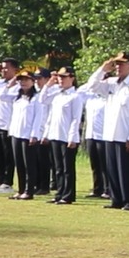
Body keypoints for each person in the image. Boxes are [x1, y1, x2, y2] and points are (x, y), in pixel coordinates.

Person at [86, 52, 129, 211]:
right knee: (112, 169)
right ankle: (116, 199)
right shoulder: (111, 83)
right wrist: (102, 70)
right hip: (110, 134)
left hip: (125, 135)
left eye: (122, 64)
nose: (118, 67)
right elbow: (92, 86)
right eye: (116, 64)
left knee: (126, 170)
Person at [41, 67, 84, 205]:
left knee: (67, 168)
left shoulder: (75, 96)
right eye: (59, 77)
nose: (61, 79)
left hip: (67, 137)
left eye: (64, 77)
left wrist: (72, 137)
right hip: (55, 134)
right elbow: (43, 100)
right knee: (58, 168)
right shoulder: (57, 95)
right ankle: (59, 193)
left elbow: (76, 119)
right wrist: (49, 84)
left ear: (72, 78)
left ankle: (68, 195)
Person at [5, 70, 47, 201]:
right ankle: (21, 189)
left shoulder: (36, 98)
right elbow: (1, 96)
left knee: (29, 164)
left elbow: (38, 118)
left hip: (28, 135)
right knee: (19, 164)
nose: (23, 82)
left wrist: (34, 134)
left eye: (26, 80)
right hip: (16, 133)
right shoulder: (16, 97)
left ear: (33, 81)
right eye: (21, 80)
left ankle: (29, 191)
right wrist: (12, 83)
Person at [0, 57, 19, 193]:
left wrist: (10, 85)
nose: (3, 70)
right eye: (2, 68)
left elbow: (4, 97)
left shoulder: (18, 86)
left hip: (9, 125)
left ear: (15, 70)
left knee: (8, 156)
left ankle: (7, 182)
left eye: (7, 68)